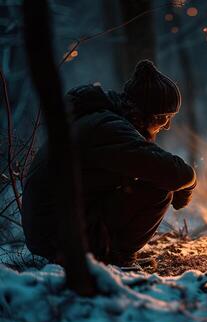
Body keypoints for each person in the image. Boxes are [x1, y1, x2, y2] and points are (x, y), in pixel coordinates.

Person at [22, 60, 196, 266]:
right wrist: (190, 182)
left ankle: (107, 254)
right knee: (160, 189)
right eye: (163, 117)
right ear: (144, 112)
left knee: (153, 178)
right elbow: (172, 173)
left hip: (58, 227)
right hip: (58, 235)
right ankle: (116, 259)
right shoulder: (107, 128)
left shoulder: (103, 120)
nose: (166, 126)